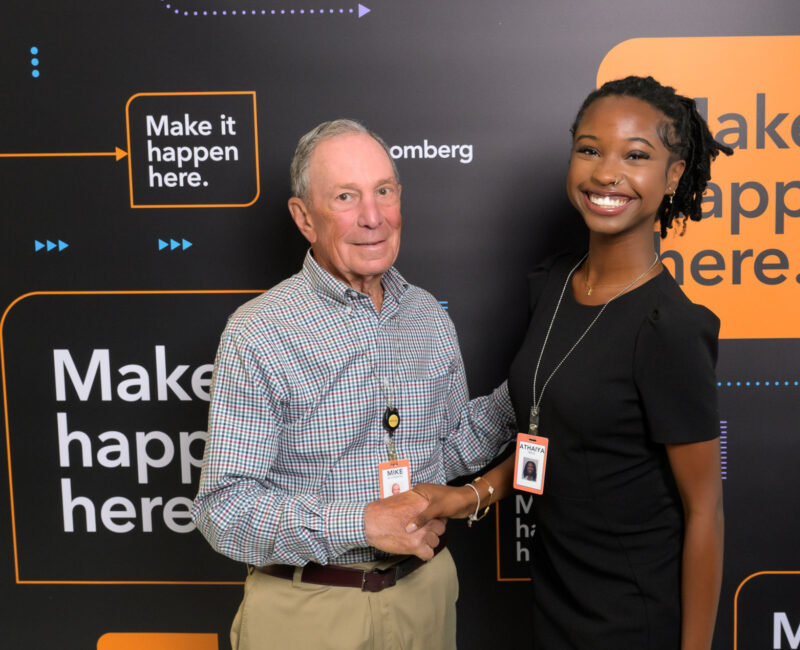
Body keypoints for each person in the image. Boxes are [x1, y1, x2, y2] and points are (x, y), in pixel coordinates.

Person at [417, 76, 730, 649]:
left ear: (675, 176)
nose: (606, 173)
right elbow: (548, 436)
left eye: (636, 156)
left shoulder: (670, 328)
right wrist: (471, 494)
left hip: (632, 618)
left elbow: (704, 511)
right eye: (590, 149)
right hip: (557, 598)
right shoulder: (553, 284)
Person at [191, 119, 515, 650]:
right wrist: (361, 523)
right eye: (346, 196)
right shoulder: (259, 332)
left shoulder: (427, 315)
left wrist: (532, 384)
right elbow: (223, 510)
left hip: (424, 596)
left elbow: (450, 447)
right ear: (305, 218)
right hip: (310, 613)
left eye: (383, 191)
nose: (373, 217)